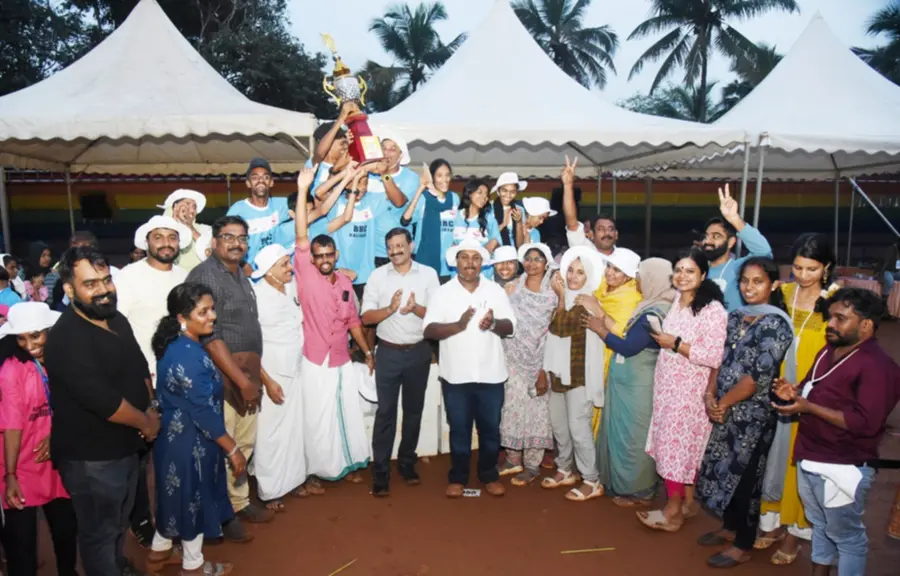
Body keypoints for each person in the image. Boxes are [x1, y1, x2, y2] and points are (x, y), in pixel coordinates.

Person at [43, 246, 160, 576]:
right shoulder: (66, 337)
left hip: (127, 446)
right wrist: (147, 422)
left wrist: (151, 409)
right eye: (91, 283)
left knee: (119, 522)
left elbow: (140, 368)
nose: (104, 289)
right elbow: (102, 400)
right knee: (99, 533)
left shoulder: (115, 318)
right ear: (69, 289)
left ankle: (117, 566)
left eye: (106, 280)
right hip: (92, 459)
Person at [773, 288, 900, 576]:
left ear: (866, 324)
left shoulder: (877, 367)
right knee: (821, 526)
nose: (831, 324)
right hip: (811, 455)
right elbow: (811, 387)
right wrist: (792, 391)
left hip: (843, 466)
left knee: (848, 538)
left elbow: (866, 423)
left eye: (841, 318)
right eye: (831, 317)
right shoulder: (829, 350)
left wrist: (807, 407)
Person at [695, 258, 794, 568]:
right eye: (745, 281)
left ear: (773, 284)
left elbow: (757, 377)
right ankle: (729, 526)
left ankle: (743, 543)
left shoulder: (776, 323)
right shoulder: (736, 316)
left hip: (753, 417)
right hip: (725, 409)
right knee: (722, 469)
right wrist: (711, 394)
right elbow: (718, 360)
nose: (749, 288)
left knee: (746, 478)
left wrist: (722, 404)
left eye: (758, 281)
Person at [186, 215, 272, 541]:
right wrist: (240, 380)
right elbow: (210, 335)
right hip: (222, 378)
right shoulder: (204, 276)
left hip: (246, 373)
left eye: (242, 237)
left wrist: (255, 377)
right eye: (228, 237)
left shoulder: (240, 276)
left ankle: (238, 501)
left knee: (245, 442)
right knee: (224, 446)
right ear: (214, 242)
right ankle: (221, 515)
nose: (236, 243)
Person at [147, 283, 241, 576]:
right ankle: (193, 567)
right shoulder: (187, 353)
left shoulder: (179, 344)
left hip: (177, 440)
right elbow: (202, 410)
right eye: (204, 312)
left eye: (211, 309)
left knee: (176, 499)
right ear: (181, 317)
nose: (212, 316)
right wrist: (233, 449)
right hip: (190, 443)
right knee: (193, 503)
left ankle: (157, 555)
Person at [757, 233, 839, 565]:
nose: (803, 276)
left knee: (797, 464)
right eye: (798, 268)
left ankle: (794, 535)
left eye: (812, 269)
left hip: (811, 395)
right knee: (771, 458)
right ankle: (772, 524)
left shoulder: (836, 302)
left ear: (827, 268)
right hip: (774, 388)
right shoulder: (782, 294)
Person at [293, 167, 374, 485]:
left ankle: (347, 463)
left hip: (341, 356)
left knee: (345, 411)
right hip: (314, 357)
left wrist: (366, 351)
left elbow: (353, 321)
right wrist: (302, 190)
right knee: (317, 416)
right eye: (319, 255)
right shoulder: (306, 272)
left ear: (335, 254)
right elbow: (302, 232)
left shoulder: (343, 280)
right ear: (311, 258)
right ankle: (316, 470)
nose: (324, 258)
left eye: (329, 254)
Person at [639, 247, 728, 532]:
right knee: (678, 448)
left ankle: (672, 511)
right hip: (668, 387)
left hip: (689, 392)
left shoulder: (713, 310)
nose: (682, 276)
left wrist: (676, 344)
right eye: (678, 270)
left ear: (703, 274)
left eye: (690, 271)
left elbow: (715, 355)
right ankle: (688, 503)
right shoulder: (678, 300)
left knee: (675, 450)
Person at [115, 214, 191, 548]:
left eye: (171, 237)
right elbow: (119, 328)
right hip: (141, 378)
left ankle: (173, 519)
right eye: (158, 237)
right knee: (142, 454)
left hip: (180, 379)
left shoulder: (184, 277)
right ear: (146, 242)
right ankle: (142, 521)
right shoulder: (129, 277)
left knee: (174, 451)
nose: (165, 243)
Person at [423, 238, 516, 499]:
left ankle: (489, 475)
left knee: (490, 429)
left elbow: (511, 326)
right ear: (456, 261)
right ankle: (458, 477)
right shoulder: (443, 292)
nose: (470, 263)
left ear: (482, 262)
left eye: (475, 258)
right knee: (459, 429)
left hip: (491, 374)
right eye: (465, 257)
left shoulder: (495, 291)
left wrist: (494, 323)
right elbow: (428, 329)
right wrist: (458, 325)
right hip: (456, 376)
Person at [0, 302, 78, 576]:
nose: (29, 344)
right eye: (21, 337)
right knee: (21, 546)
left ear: (49, 330)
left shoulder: (65, 360)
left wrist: (56, 434)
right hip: (21, 462)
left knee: (67, 532)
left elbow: (76, 405)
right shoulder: (12, 369)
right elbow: (11, 423)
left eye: (36, 335)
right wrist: (10, 474)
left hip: (57, 461)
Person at [361, 228, 439, 496]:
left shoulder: (428, 274)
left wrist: (415, 309)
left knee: (414, 411)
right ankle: (380, 471)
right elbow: (366, 318)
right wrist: (391, 310)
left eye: (399, 245)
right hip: (388, 354)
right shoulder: (377, 276)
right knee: (385, 413)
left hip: (419, 352)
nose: (395, 251)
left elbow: (438, 315)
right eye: (390, 247)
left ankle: (407, 463)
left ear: (411, 245)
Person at [594, 258, 676, 507]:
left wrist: (601, 330)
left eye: (642, 275)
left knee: (634, 438)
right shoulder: (652, 305)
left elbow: (628, 347)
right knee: (625, 436)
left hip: (638, 386)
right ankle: (625, 485)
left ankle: (638, 491)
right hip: (629, 383)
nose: (638, 280)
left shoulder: (655, 312)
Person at [541, 247, 606, 501]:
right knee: (559, 426)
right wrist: (560, 297)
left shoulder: (586, 301)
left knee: (579, 428)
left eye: (580, 272)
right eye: (570, 270)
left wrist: (559, 297)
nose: (573, 276)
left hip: (579, 376)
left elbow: (561, 327)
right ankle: (565, 468)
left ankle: (591, 480)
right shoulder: (566, 297)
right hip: (559, 374)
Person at [251, 244, 311, 509]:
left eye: (289, 262)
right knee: (270, 432)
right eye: (284, 264)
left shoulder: (292, 287)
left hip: (295, 369)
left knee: (293, 428)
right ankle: (271, 490)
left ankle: (293, 479)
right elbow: (252, 345)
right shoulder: (256, 295)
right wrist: (267, 380)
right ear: (268, 271)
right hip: (272, 373)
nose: (290, 268)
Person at [497, 243, 557, 487]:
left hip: (541, 359)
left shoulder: (554, 291)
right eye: (528, 258)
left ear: (547, 263)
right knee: (510, 407)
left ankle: (532, 465)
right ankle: (513, 460)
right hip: (511, 357)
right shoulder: (513, 287)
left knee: (536, 412)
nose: (532, 263)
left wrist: (543, 369)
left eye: (538, 259)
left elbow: (554, 331)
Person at [578, 248, 643, 434]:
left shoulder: (631, 297)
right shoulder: (602, 288)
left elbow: (621, 331)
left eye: (617, 270)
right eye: (609, 266)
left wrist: (597, 308)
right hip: (592, 352)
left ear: (628, 276)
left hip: (612, 358)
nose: (610, 272)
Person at [320, 164, 391, 299]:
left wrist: (384, 172)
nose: (361, 187)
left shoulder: (372, 201)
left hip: (366, 275)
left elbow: (394, 195)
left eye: (364, 182)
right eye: (356, 181)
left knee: (364, 317)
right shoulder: (335, 203)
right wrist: (343, 175)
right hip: (340, 273)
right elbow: (321, 193)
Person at [701, 184, 773, 311]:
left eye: (716, 236)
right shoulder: (697, 270)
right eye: (706, 236)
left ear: (731, 242)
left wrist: (734, 218)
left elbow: (764, 252)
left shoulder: (739, 268)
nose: (708, 241)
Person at [401, 159, 460, 283]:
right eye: (439, 175)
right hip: (425, 260)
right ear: (432, 178)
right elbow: (405, 220)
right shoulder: (424, 198)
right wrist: (420, 189)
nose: (445, 179)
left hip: (448, 262)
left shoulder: (454, 198)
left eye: (447, 175)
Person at [226, 158, 290, 266]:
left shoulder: (282, 205)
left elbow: (308, 211)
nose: (261, 180)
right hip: (248, 275)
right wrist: (243, 265)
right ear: (248, 183)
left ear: (271, 182)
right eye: (255, 177)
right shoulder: (237, 210)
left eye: (265, 177)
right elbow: (226, 242)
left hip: (274, 274)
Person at [369, 133, 419, 267]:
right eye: (383, 148)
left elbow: (399, 202)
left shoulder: (410, 177)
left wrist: (384, 174)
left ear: (401, 155)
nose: (386, 153)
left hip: (398, 250)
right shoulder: (369, 175)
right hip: (370, 250)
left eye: (392, 149)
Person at [560, 156, 616, 257]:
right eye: (601, 229)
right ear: (591, 234)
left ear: (616, 235)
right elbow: (571, 222)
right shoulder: (585, 250)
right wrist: (568, 185)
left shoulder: (627, 258)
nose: (606, 233)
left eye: (610, 229)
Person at [452, 179, 501, 278]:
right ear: (469, 193)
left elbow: (495, 242)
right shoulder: (454, 217)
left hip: (483, 276)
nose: (484, 197)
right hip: (458, 275)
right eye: (480, 193)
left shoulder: (489, 219)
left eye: (486, 195)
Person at [158, 189, 213, 272]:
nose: (191, 210)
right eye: (187, 204)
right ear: (175, 207)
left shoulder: (205, 230)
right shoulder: (157, 228)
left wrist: (190, 227)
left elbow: (212, 256)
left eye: (194, 207)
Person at [491, 172, 527, 248]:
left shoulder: (519, 210)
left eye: (512, 192)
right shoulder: (489, 208)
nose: (508, 195)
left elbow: (520, 244)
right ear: (498, 191)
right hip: (494, 254)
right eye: (504, 190)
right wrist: (503, 225)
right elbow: (487, 237)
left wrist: (519, 221)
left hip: (512, 253)